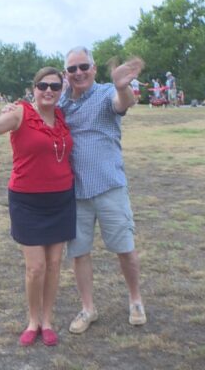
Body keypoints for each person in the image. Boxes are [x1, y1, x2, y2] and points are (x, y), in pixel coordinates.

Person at [0, 67, 75, 347]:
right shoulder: (19, 112)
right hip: (27, 201)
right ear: (33, 88)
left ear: (61, 91)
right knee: (36, 267)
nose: (48, 91)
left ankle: (47, 320)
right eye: (43, 85)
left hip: (61, 199)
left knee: (54, 264)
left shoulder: (63, 115)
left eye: (55, 87)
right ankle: (33, 321)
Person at [59, 47, 146, 334]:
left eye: (83, 66)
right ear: (66, 74)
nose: (78, 73)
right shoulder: (62, 103)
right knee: (79, 252)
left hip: (109, 186)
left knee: (124, 248)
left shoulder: (107, 92)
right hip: (75, 192)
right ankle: (88, 308)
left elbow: (123, 103)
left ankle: (135, 300)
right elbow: (39, 114)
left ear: (93, 68)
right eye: (72, 69)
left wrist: (123, 87)